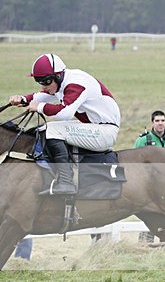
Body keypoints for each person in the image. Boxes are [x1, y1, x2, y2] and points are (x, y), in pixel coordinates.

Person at [8, 54, 121, 195]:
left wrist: (40, 107)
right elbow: (41, 95)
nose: (44, 86)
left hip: (105, 132)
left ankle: (66, 182)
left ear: (58, 76)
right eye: (39, 81)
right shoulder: (61, 82)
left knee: (52, 130)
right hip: (95, 126)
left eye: (46, 81)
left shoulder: (76, 84)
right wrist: (23, 99)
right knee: (43, 128)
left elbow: (65, 113)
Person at [133, 110, 165, 244]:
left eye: (162, 120)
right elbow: (133, 162)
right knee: (150, 214)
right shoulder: (143, 140)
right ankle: (145, 245)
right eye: (157, 121)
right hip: (150, 187)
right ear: (152, 123)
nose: (160, 123)